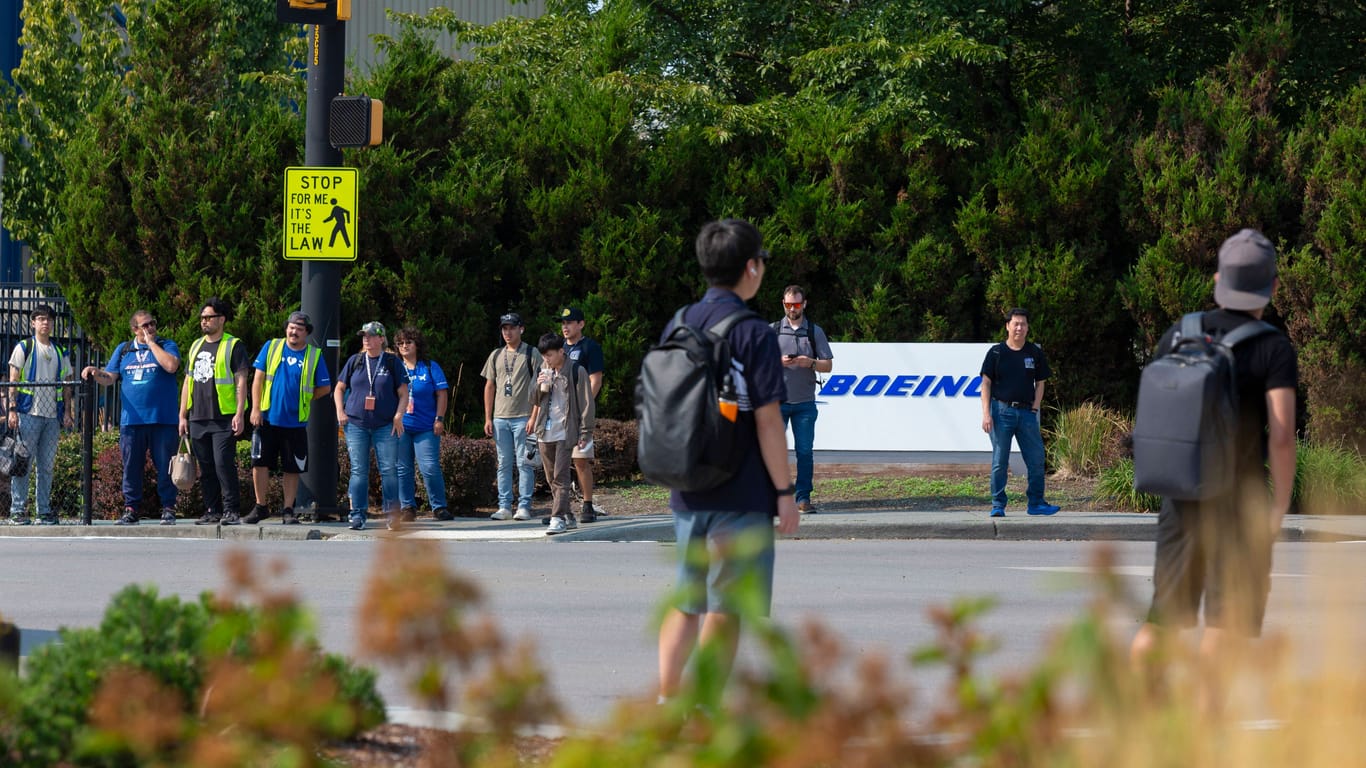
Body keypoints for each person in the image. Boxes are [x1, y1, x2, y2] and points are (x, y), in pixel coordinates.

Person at [1129, 229, 1298, 708]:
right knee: (1223, 626)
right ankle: (1206, 735)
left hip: (1179, 498)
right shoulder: (1273, 348)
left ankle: (1142, 719)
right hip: (1238, 501)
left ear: (1219, 279)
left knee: (1163, 619)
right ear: (1272, 287)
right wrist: (1278, 508)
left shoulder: (1181, 333)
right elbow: (1282, 436)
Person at [657, 218, 800, 707]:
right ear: (751, 268)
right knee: (725, 604)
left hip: (686, 484)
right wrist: (785, 493)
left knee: (686, 600)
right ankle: (703, 708)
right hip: (740, 492)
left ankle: (667, 703)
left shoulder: (678, 321)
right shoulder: (753, 332)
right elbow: (767, 420)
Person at [82, 310, 181, 525]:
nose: (150, 328)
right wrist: (95, 372)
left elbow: (171, 366)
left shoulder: (166, 344)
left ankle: (168, 508)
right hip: (132, 421)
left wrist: (151, 343)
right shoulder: (124, 350)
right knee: (131, 467)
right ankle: (131, 509)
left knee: (165, 466)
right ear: (134, 329)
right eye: (145, 325)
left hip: (162, 419)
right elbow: (109, 378)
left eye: (152, 323)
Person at [248, 311, 331, 527]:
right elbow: (257, 379)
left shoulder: (314, 355)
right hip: (266, 418)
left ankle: (288, 509)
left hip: (295, 422)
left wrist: (304, 398)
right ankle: (260, 507)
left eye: (299, 329)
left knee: (292, 468)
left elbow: (325, 387)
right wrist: (255, 408)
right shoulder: (272, 346)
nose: (294, 332)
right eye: (291, 327)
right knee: (259, 463)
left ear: (306, 333)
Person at [978, 308, 1060, 517]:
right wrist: (986, 414)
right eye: (1015, 323)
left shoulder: (1034, 352)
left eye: (1023, 324)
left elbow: (1040, 383)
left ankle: (1036, 503)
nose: (1019, 328)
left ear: (1027, 327)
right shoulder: (996, 353)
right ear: (1007, 326)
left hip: (1026, 415)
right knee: (1000, 462)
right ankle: (998, 504)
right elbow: (985, 383)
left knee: (1036, 459)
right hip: (1001, 412)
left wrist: (1034, 408)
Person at [182, 298, 251, 526]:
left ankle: (231, 510)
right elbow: (187, 381)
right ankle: (212, 510)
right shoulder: (195, 345)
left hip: (223, 417)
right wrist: (183, 414)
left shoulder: (233, 345)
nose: (204, 322)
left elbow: (242, 380)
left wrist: (240, 413)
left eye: (209, 317)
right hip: (198, 416)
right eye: (202, 318)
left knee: (223, 463)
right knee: (206, 467)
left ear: (221, 319)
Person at [334, 321, 409, 531]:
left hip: (385, 425)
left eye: (370, 335)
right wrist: (340, 411)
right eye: (364, 336)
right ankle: (357, 514)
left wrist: (398, 415)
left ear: (381, 338)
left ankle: (392, 514)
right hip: (356, 423)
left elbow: (404, 393)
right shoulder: (355, 361)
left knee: (389, 470)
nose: (366, 339)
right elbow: (339, 388)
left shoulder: (392, 362)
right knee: (358, 470)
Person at [7, 304, 74, 525]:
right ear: (34, 322)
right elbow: (13, 380)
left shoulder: (60, 351)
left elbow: (66, 383)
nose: (46, 323)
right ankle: (18, 510)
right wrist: (12, 409)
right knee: (23, 464)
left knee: (46, 466)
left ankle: (42, 511)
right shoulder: (24, 347)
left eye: (49, 320)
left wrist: (68, 411)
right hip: (28, 413)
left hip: (52, 416)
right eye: (41, 319)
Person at [773, 285, 834, 514]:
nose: (792, 309)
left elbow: (827, 365)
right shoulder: (774, 330)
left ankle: (802, 498)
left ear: (804, 304)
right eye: (788, 304)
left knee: (805, 451)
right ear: (783, 304)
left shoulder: (814, 332)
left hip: (805, 404)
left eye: (796, 305)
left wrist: (808, 362)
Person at [529, 333, 595, 535]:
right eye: (543, 356)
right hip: (544, 430)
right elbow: (533, 399)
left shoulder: (576, 370)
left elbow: (586, 403)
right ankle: (568, 515)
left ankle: (557, 518)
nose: (546, 359)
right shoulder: (543, 369)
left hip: (566, 431)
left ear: (561, 351)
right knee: (551, 478)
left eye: (549, 355)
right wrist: (539, 384)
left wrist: (585, 432)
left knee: (561, 476)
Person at [481, 312, 542, 521]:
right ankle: (504, 506)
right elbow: (489, 386)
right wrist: (488, 417)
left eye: (512, 328)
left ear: (521, 329)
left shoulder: (532, 353)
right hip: (500, 417)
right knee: (503, 462)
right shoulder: (496, 355)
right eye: (504, 328)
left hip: (524, 416)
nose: (508, 332)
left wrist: (535, 416)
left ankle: (524, 505)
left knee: (524, 463)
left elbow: (541, 387)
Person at [394, 326, 450, 521]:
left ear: (417, 344)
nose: (404, 346)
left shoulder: (429, 366)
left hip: (426, 426)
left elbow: (441, 394)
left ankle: (439, 506)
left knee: (429, 467)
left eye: (408, 342)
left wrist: (439, 418)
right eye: (400, 343)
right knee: (403, 468)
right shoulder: (395, 367)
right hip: (401, 426)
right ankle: (407, 507)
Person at [558, 306, 606, 523]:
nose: (565, 327)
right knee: (558, 463)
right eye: (563, 323)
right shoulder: (558, 348)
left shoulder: (589, 347)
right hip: (559, 413)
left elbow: (596, 379)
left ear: (581, 324)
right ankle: (561, 509)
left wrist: (585, 406)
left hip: (579, 414)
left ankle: (587, 505)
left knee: (580, 460)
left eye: (570, 322)